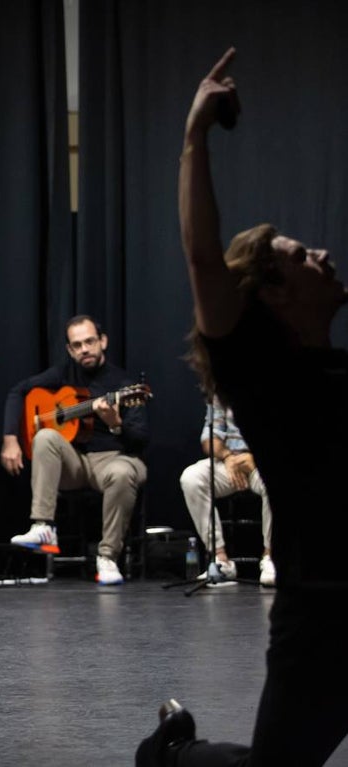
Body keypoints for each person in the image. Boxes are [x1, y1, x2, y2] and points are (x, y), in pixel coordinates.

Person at [136, 48, 348, 765]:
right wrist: (194, 137)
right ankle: (172, 753)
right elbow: (203, 260)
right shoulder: (266, 374)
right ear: (273, 294)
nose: (321, 253)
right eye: (299, 255)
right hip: (321, 615)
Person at [0, 315, 149, 585]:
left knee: (121, 472)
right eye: (77, 345)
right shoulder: (64, 374)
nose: (85, 349)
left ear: (102, 341)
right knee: (45, 436)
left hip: (116, 458)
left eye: (90, 342)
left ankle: (107, 557)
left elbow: (140, 441)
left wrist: (116, 424)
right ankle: (43, 526)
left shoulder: (124, 385)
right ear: (70, 350)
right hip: (77, 462)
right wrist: (10, 438)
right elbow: (18, 391)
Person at [178, 396, 275, 586]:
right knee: (191, 478)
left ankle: (272, 556)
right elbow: (209, 437)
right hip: (230, 463)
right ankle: (220, 559)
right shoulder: (223, 389)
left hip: (265, 462)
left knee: (277, 483)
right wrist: (228, 456)